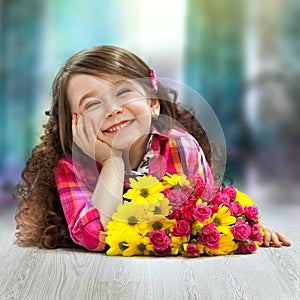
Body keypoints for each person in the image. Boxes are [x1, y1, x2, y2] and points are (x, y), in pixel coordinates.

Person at [15, 45, 291, 252]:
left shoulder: (180, 147)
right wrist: (112, 163)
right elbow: (96, 237)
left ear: (152, 103)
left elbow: (210, 210)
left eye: (124, 92)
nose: (113, 109)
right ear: (73, 125)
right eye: (92, 104)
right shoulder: (72, 169)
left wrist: (242, 226)